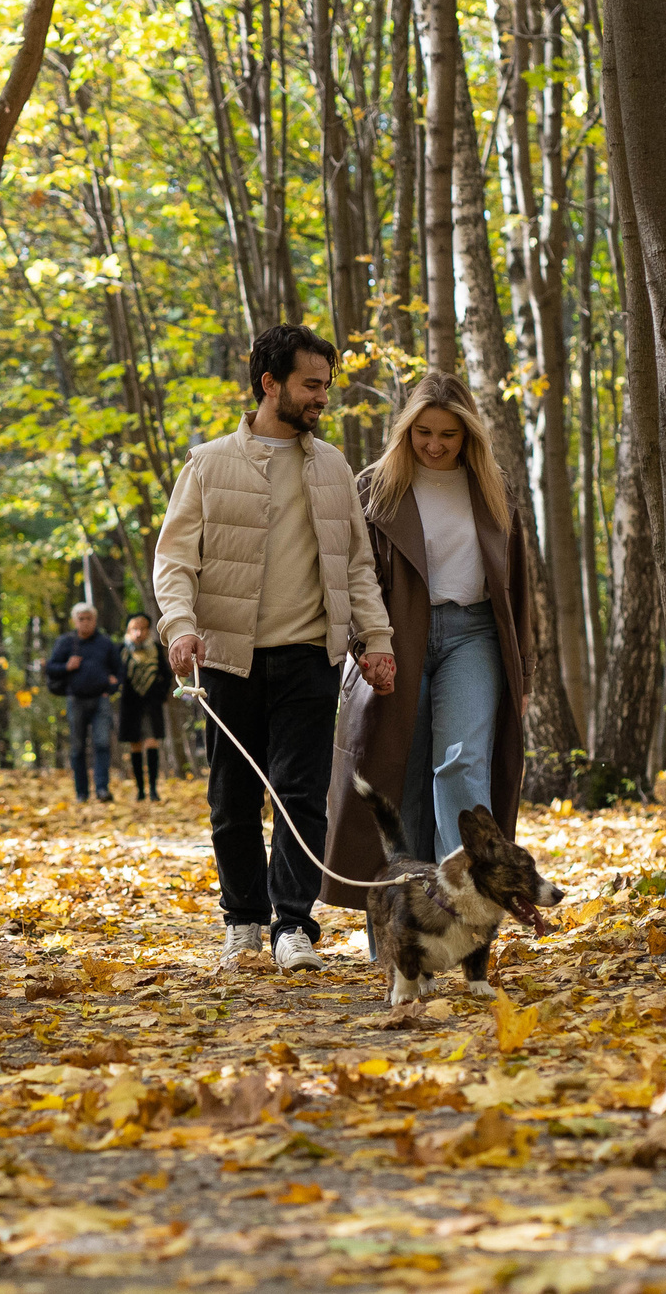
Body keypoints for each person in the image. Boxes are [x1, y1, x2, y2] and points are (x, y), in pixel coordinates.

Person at [153, 322, 396, 972]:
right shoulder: (208, 464)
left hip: (310, 655)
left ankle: (292, 926)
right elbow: (174, 560)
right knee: (232, 800)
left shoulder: (334, 466)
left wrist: (376, 639)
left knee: (300, 793)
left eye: (326, 384)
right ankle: (242, 922)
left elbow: (358, 566)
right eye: (311, 384)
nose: (322, 397)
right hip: (228, 657)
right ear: (270, 383)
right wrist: (179, 626)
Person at [322, 373, 534, 914]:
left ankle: (464, 908)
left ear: (468, 435)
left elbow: (518, 584)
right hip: (395, 639)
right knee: (400, 777)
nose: (435, 445)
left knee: (462, 763)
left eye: (448, 434)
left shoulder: (493, 488)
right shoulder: (374, 487)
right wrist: (364, 644)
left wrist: (524, 674)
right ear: (406, 430)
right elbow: (352, 576)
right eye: (424, 433)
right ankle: (402, 920)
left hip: (474, 635)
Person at [44, 602, 126, 802]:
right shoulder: (65, 642)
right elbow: (50, 668)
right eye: (81, 619)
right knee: (77, 748)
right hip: (76, 700)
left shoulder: (105, 643)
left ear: (94, 620)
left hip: (100, 700)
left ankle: (102, 789)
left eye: (89, 618)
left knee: (102, 744)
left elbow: (120, 671)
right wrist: (67, 667)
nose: (85, 622)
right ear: (75, 621)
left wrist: (111, 687)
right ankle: (81, 793)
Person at [118, 611, 173, 801]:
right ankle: (140, 790)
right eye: (134, 628)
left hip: (151, 704)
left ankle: (154, 790)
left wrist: (160, 694)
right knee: (135, 745)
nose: (138, 632)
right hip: (130, 704)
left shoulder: (155, 648)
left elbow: (166, 674)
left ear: (148, 630)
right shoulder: (121, 650)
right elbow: (116, 674)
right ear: (128, 630)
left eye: (142, 628)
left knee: (151, 742)